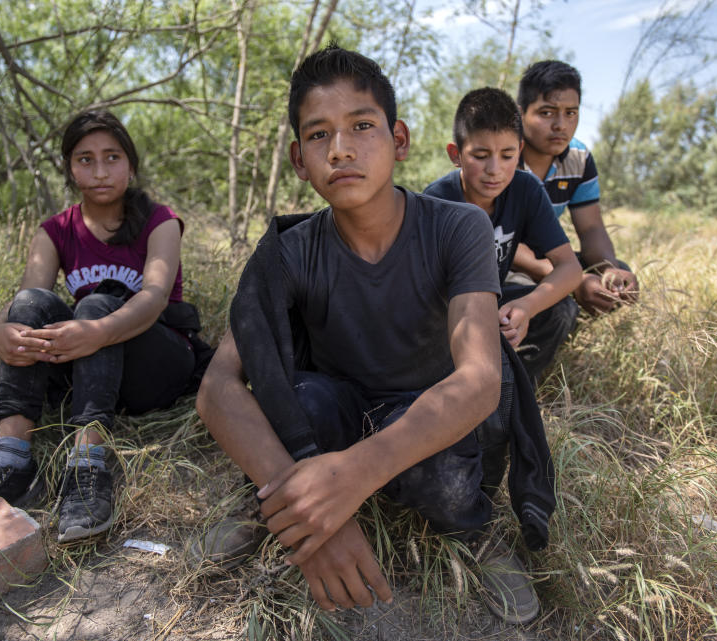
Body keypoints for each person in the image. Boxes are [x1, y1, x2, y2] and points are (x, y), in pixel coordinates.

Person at [195, 46, 555, 625]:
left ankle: (474, 530)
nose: (340, 148)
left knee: (443, 480)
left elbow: (482, 380)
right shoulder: (289, 251)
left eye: (362, 126)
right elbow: (218, 388)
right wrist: (308, 510)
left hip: (423, 412)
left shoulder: (458, 226)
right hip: (340, 404)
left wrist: (356, 472)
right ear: (298, 158)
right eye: (319, 135)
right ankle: (275, 504)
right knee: (298, 407)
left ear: (400, 140)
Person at [0, 111, 212, 543]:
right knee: (33, 304)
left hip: (157, 364)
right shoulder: (55, 230)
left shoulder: (160, 221)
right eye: (86, 159)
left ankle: (89, 466)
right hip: (96, 371)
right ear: (70, 167)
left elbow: (155, 297)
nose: (101, 171)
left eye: (112, 157)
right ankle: (12, 462)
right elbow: (27, 297)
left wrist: (100, 330)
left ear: (130, 164)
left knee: (98, 303)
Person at [423, 87, 582, 385]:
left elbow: (570, 268)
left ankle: (516, 386)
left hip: (496, 303)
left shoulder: (526, 190)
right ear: (455, 154)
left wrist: (527, 306)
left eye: (507, 155)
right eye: (480, 156)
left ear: (520, 151)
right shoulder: (436, 201)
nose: (495, 170)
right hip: (446, 313)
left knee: (562, 310)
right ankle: (463, 387)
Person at [508, 60, 640, 375]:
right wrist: (571, 281)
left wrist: (608, 270)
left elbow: (592, 227)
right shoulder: (503, 155)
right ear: (519, 113)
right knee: (559, 304)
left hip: (549, 256)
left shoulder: (579, 159)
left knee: (619, 274)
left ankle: (557, 342)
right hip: (499, 259)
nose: (561, 125)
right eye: (546, 112)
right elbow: (500, 242)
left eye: (571, 113)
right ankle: (515, 391)